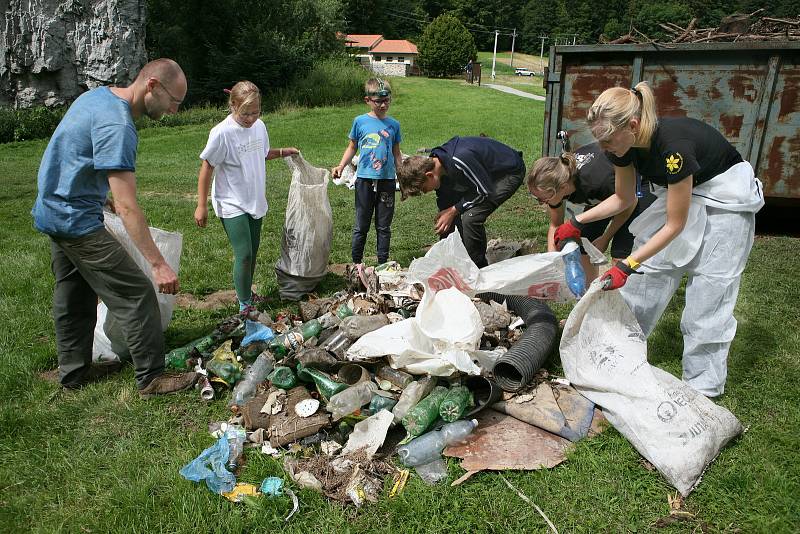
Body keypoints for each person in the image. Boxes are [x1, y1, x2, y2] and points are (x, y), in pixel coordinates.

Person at [553, 82, 764, 397]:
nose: (603, 148)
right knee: (645, 280)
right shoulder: (623, 147)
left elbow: (675, 224)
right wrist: (577, 221)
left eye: (608, 140)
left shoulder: (673, 148)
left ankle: (703, 388)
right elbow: (623, 199)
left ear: (634, 126)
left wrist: (627, 264)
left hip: (726, 201)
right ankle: (620, 358)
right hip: (684, 193)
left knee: (709, 294)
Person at [32, 58, 198, 397]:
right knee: (138, 294)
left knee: (74, 295)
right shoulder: (118, 126)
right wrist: (158, 263)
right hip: (75, 221)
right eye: (173, 102)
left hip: (53, 209)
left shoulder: (97, 98)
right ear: (152, 86)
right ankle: (152, 378)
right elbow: (127, 207)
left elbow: (74, 155)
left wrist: (93, 194)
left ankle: (72, 375)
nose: (174, 111)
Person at [195, 81, 298, 311]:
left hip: (254, 198)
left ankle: (247, 293)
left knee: (253, 253)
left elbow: (260, 153)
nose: (250, 118)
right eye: (245, 114)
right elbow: (207, 166)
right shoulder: (222, 133)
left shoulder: (259, 126)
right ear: (233, 105)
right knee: (243, 253)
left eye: (255, 112)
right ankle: (244, 306)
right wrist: (201, 205)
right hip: (231, 201)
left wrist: (282, 152)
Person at [527, 141, 655, 283]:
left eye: (543, 200)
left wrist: (606, 238)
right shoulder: (560, 178)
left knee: (621, 250)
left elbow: (628, 203)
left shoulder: (596, 182)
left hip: (639, 187)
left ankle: (624, 299)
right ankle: (587, 293)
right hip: (609, 194)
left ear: (562, 187)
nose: (542, 202)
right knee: (583, 240)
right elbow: (555, 225)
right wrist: (551, 260)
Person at [397, 135, 525, 268]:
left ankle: (478, 268)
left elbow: (484, 192)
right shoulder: (438, 166)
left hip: (508, 172)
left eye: (423, 189)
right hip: (484, 177)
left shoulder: (459, 159)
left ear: (429, 175)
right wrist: (445, 233)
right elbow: (446, 203)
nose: (425, 192)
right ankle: (456, 263)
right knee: (449, 215)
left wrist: (453, 210)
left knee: (471, 217)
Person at [331, 78, 402, 267]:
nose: (383, 104)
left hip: (386, 181)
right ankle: (356, 264)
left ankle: (382, 264)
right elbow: (352, 147)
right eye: (378, 101)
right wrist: (341, 165)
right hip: (364, 180)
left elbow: (396, 152)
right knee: (361, 225)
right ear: (368, 100)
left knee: (383, 226)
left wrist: (401, 175)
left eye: (386, 100)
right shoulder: (360, 122)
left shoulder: (394, 125)